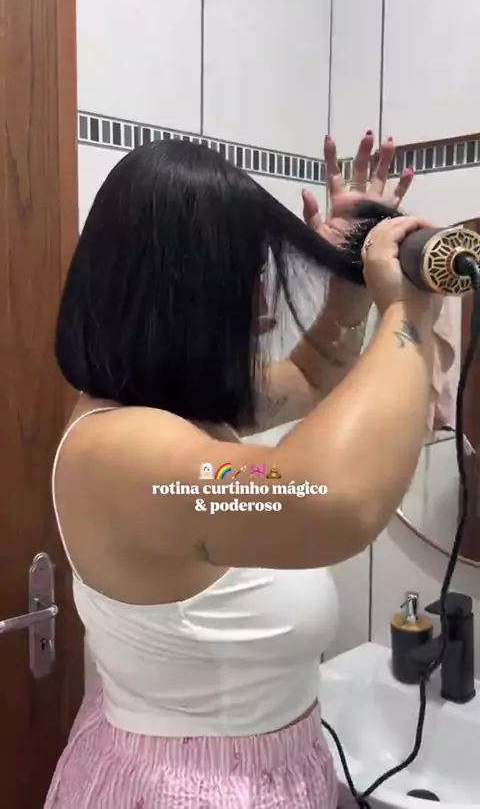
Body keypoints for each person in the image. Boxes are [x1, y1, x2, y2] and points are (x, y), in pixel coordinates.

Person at [45, 130, 441, 809]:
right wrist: (407, 314)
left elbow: (311, 375)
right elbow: (328, 499)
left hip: (265, 771)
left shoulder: (176, 411)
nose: (264, 290)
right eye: (250, 269)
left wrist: (348, 281)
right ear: (189, 286)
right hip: (179, 790)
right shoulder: (119, 452)